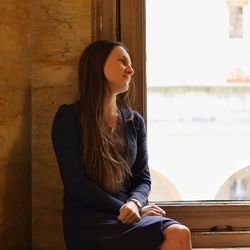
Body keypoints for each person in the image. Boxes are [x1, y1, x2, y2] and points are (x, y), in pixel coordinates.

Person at [51, 40, 192, 250]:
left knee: (179, 234)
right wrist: (127, 209)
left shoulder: (134, 121)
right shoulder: (69, 118)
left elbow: (142, 178)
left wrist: (135, 204)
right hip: (88, 220)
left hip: (128, 214)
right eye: (122, 61)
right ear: (98, 65)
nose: (131, 70)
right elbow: (75, 183)